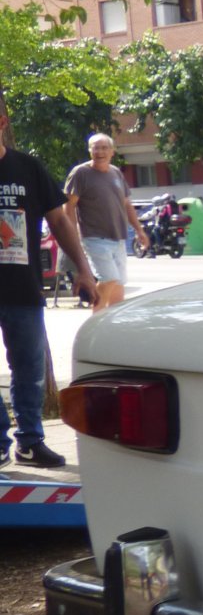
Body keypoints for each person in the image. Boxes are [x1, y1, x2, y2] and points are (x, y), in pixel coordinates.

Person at [0, 109, 100, 469]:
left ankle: (29, 442)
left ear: (2, 122)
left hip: (22, 289)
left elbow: (59, 220)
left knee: (28, 370)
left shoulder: (28, 168)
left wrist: (84, 271)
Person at [63, 132, 147, 310]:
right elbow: (69, 206)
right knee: (108, 279)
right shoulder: (81, 173)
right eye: (96, 148)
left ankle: (114, 325)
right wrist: (71, 235)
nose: (100, 152)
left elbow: (126, 204)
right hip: (94, 237)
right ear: (89, 150)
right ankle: (96, 322)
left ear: (112, 152)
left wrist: (139, 230)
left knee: (118, 284)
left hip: (118, 238)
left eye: (104, 148)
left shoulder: (116, 173)